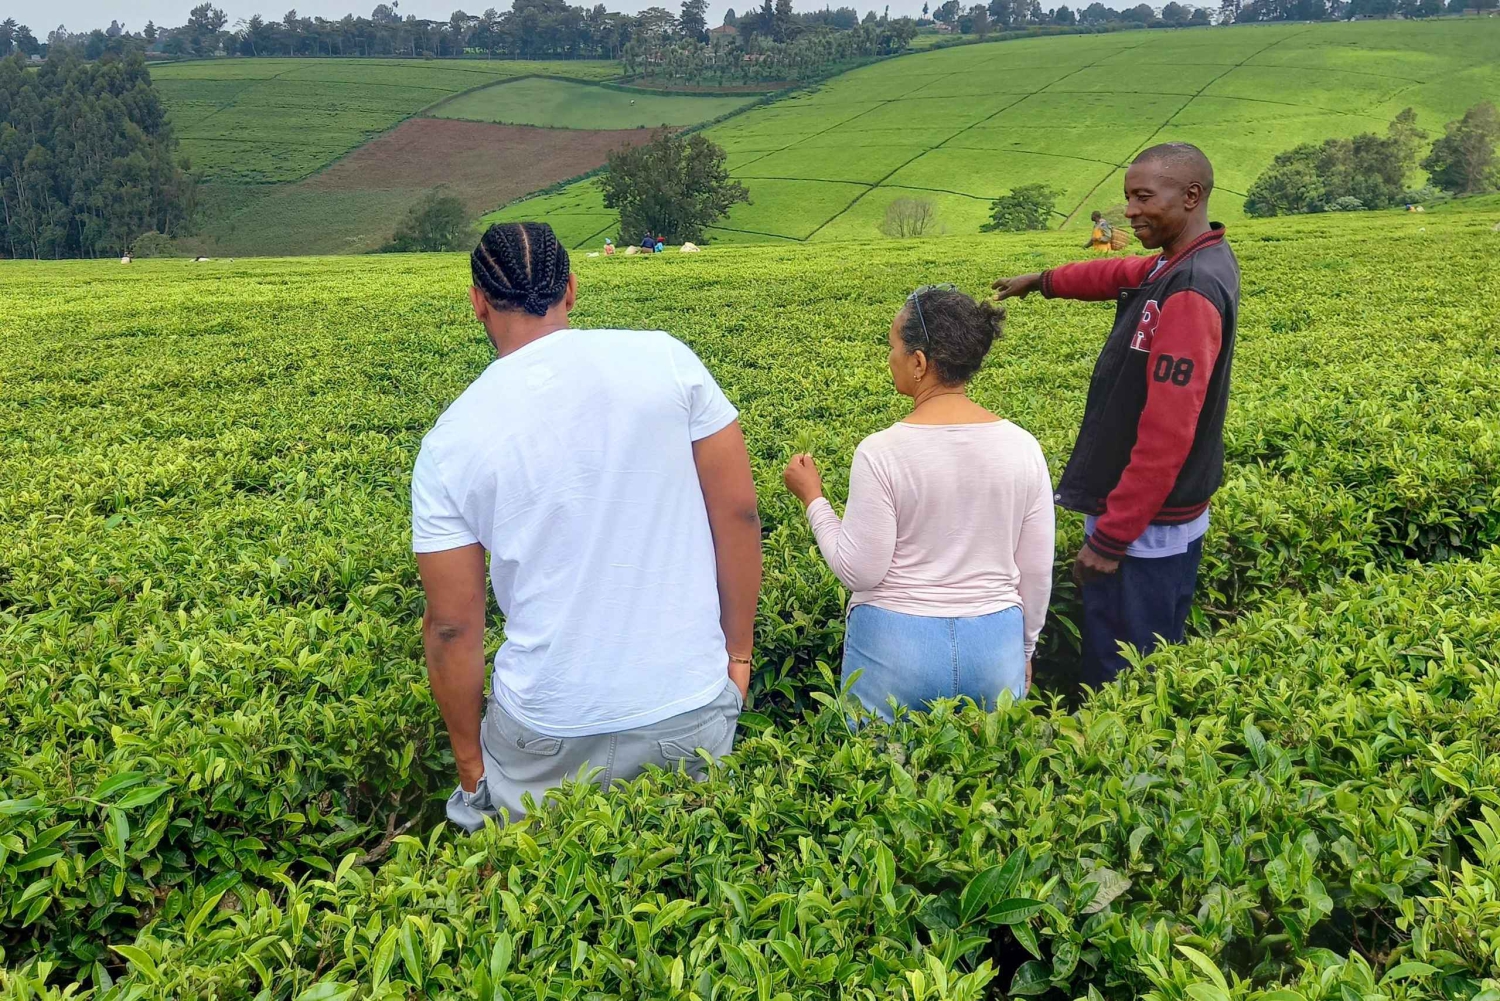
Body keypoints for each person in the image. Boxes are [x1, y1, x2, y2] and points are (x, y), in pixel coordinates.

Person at [412, 221, 763, 832]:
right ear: (571, 288)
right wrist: (738, 656)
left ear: (477, 302)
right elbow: (738, 515)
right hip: (687, 703)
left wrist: (471, 765)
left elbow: (450, 626)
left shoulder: (450, 440)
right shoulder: (668, 361)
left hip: (545, 727)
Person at [993, 142, 1240, 686]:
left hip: (1149, 529)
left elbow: (1167, 433)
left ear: (1191, 196)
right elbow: (1119, 273)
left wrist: (1109, 539)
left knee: (1127, 664)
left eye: (1143, 197)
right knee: (1119, 647)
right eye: (1129, 197)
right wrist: (1044, 281)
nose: (1129, 210)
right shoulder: (1177, 262)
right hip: (1142, 518)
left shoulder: (1192, 289)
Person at [781, 286, 1055, 721]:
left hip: (896, 647)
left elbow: (859, 570)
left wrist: (814, 498)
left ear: (919, 362)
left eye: (893, 347)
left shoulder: (882, 451)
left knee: (876, 775)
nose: (889, 357)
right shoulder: (1023, 447)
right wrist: (1023, 649)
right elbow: (1037, 570)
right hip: (994, 640)